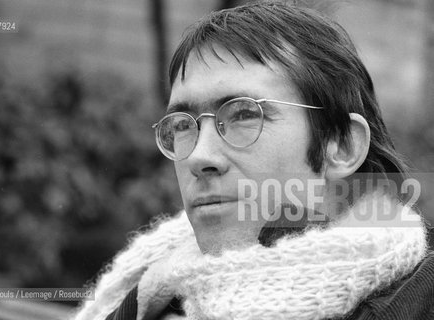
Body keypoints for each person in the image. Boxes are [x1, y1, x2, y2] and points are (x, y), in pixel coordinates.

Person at [73, 2, 434, 320]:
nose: (200, 156)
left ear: (340, 146)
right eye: (183, 125)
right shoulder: (157, 284)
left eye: (244, 114)